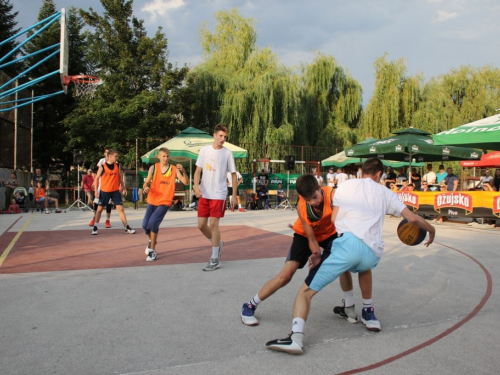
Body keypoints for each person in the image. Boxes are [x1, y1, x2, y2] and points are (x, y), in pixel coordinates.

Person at [265, 158, 436, 355]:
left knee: (305, 293)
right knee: (364, 268)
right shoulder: (387, 194)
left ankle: (295, 338)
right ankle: (368, 313)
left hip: (348, 246)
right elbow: (412, 218)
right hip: (373, 253)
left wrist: (324, 250)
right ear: (379, 175)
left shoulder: (345, 187)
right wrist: (431, 230)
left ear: (362, 172)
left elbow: (334, 220)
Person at [241, 174, 339, 326]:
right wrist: (316, 254)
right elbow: (311, 238)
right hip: (305, 235)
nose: (313, 202)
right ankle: (250, 304)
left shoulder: (333, 195)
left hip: (329, 234)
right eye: (308, 200)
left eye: (314, 197)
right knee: (286, 276)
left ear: (319, 188)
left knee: (344, 261)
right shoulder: (302, 206)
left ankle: (349, 305)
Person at [193, 124, 237, 271]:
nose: (223, 139)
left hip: (219, 194)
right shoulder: (205, 150)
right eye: (220, 136)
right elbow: (198, 171)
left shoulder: (227, 153)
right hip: (205, 193)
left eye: (225, 137)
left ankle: (214, 258)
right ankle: (217, 243)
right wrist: (195, 186)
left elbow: (233, 174)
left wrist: (234, 195)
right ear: (214, 135)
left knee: (214, 225)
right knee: (201, 225)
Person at [142, 148, 188, 261]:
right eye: (163, 156)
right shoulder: (153, 168)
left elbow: (185, 182)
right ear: (159, 156)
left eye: (167, 156)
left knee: (153, 223)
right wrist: (145, 187)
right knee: (145, 225)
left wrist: (184, 171)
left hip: (165, 201)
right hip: (152, 199)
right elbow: (146, 182)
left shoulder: (173, 169)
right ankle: (152, 240)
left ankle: (152, 251)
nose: (166, 158)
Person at [91, 149, 135, 235]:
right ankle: (95, 227)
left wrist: (123, 187)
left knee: (120, 208)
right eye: (115, 156)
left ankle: (126, 227)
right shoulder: (102, 167)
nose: (117, 158)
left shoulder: (117, 165)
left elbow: (119, 177)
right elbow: (96, 179)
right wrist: (96, 191)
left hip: (115, 191)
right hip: (105, 191)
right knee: (99, 209)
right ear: (110, 156)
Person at [89, 147, 113, 228]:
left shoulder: (114, 161)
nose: (107, 154)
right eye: (106, 152)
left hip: (110, 186)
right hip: (101, 185)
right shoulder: (102, 161)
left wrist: (120, 185)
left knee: (108, 203)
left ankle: (107, 220)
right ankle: (95, 217)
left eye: (109, 152)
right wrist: (94, 182)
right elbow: (97, 173)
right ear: (104, 153)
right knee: (96, 202)